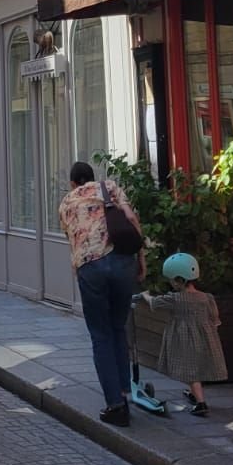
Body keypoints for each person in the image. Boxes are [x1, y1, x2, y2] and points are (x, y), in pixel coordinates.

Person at [57, 161, 143, 427]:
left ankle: (115, 405)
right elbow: (130, 218)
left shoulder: (66, 202)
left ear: (73, 183)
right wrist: (142, 260)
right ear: (93, 178)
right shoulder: (110, 187)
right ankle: (124, 390)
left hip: (90, 267)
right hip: (121, 262)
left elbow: (70, 235)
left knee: (100, 335)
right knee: (118, 327)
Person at [137, 253, 227, 417]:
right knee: (195, 368)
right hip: (204, 337)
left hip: (184, 339)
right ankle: (194, 394)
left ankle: (201, 403)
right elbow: (214, 318)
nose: (171, 283)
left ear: (179, 280)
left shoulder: (176, 299)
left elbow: (155, 303)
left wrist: (145, 295)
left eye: (172, 280)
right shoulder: (207, 298)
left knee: (190, 370)